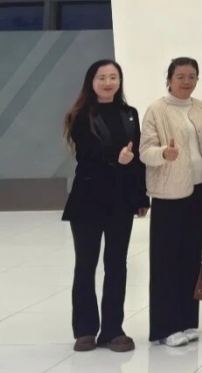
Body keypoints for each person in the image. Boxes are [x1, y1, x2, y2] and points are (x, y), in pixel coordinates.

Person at [61, 59, 149, 353]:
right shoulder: (80, 115)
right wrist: (115, 159)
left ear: (119, 81)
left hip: (120, 201)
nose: (108, 82)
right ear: (92, 81)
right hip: (87, 200)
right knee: (86, 265)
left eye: (113, 77)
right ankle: (85, 330)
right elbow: (86, 155)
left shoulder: (130, 114)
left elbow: (137, 159)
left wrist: (141, 197)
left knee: (116, 265)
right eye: (102, 77)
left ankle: (113, 330)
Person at [138, 57, 202, 347]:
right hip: (168, 195)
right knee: (165, 261)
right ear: (169, 80)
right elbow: (144, 151)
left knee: (190, 259)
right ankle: (165, 328)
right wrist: (164, 153)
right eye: (181, 76)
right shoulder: (156, 109)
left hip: (199, 193)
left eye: (192, 76)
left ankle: (187, 321)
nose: (187, 81)